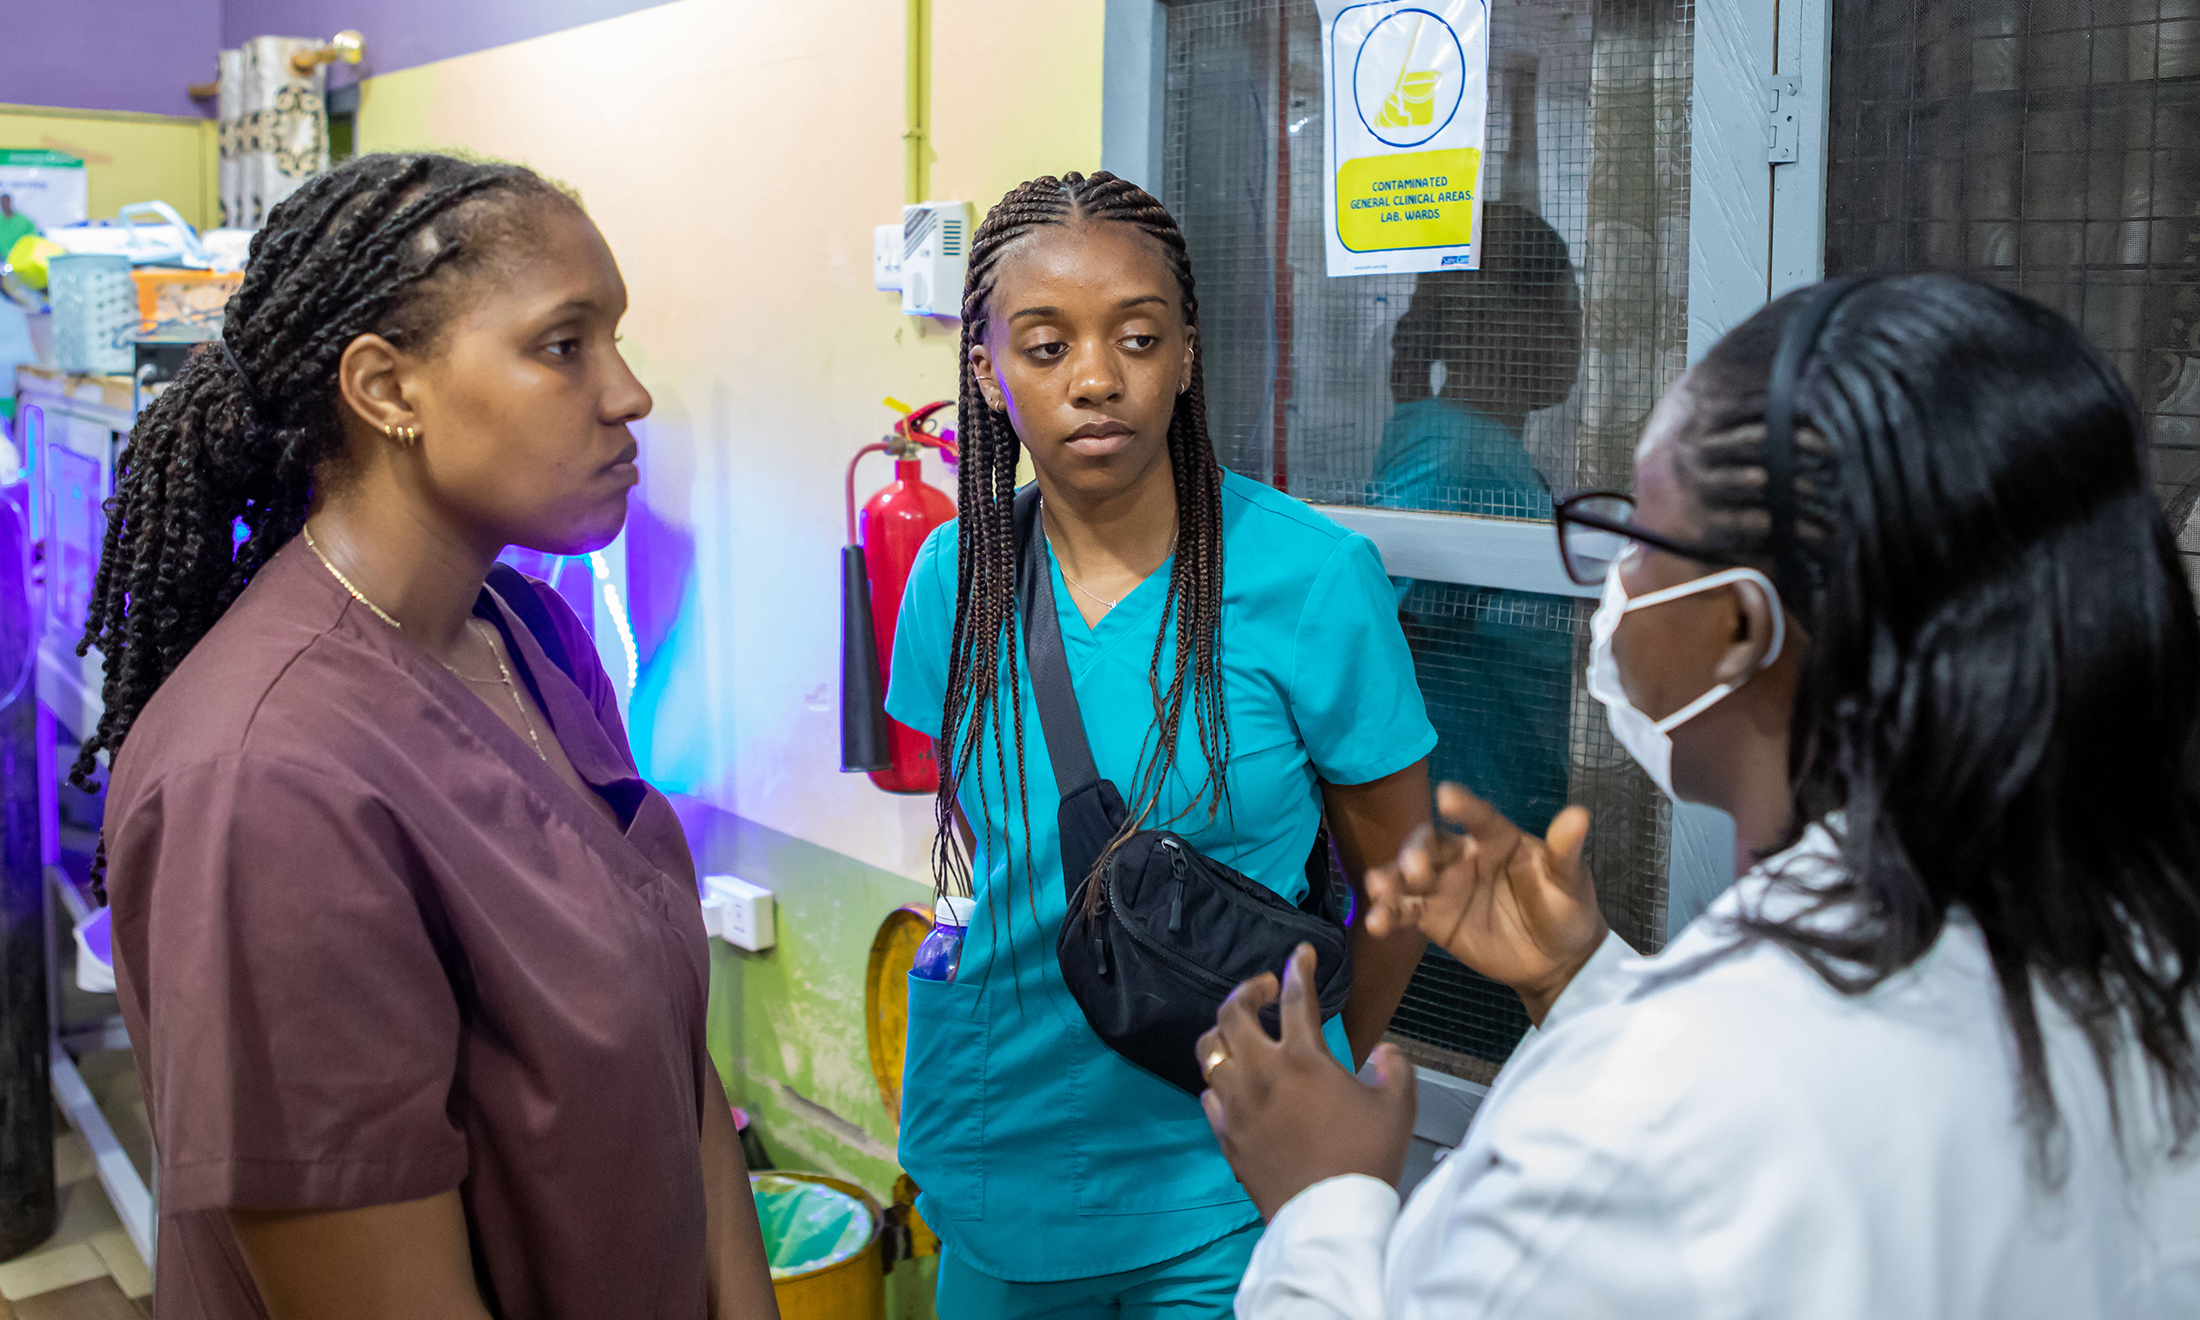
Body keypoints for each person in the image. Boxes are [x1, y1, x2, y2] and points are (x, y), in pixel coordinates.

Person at [1199, 275, 2200, 1317]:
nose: (1617, 576)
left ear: (1738, 628)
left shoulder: (1642, 1119)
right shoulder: (2138, 950)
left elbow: (1707, 1120)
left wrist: (1323, 1202)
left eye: (1640, 534)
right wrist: (1579, 983)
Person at [88, 154, 777, 1319]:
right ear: (386, 389)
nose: (628, 393)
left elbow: (678, 1073)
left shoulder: (530, 636)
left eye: (614, 337)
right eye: (564, 346)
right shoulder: (270, 781)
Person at [884, 171, 1438, 1318]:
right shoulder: (954, 576)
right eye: (1044, 347)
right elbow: (1005, 858)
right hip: (1000, 1157)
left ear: (1185, 354)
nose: (1096, 379)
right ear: (986, 373)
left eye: (1137, 337)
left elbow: (1400, 881)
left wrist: (1302, 1083)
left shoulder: (1308, 580)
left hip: (1219, 1183)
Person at [1370, 201, 1580, 854]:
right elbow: (1372, 642)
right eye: (1567, 313)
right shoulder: (1454, 453)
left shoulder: (1480, 445)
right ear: (1509, 325)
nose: (1578, 336)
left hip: (1499, 827)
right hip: (1454, 850)